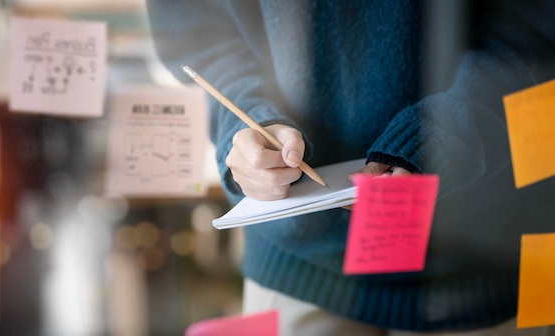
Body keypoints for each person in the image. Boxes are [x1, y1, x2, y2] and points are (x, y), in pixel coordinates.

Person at [147, 0, 555, 334]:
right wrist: (248, 121)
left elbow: (536, 32)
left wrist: (442, 136)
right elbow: (199, 37)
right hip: (297, 259)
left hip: (483, 254)